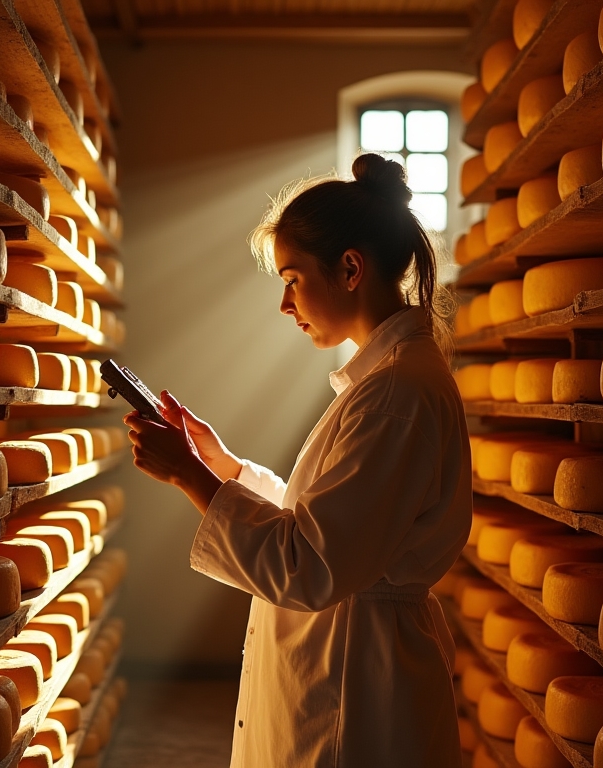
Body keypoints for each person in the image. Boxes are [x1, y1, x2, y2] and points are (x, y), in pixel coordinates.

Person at [124, 152, 472, 767]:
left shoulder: (395, 394)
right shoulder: (388, 381)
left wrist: (188, 474)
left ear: (349, 268)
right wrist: (225, 467)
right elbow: (331, 523)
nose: (286, 304)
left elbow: (309, 564)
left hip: (355, 693)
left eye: (291, 278)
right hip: (347, 666)